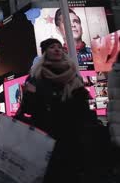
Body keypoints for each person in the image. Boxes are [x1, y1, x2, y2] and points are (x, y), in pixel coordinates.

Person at [15, 38, 97, 182]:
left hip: (73, 136)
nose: (57, 49)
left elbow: (82, 109)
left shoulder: (73, 75)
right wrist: (32, 94)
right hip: (47, 139)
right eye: (52, 47)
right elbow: (29, 109)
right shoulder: (36, 77)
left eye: (59, 47)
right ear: (45, 52)